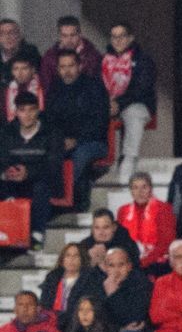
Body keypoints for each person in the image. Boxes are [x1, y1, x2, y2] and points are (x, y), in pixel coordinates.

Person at [43, 49, 106, 208]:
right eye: (62, 67)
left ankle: (64, 201)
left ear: (80, 66)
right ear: (57, 69)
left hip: (93, 141)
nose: (67, 71)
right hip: (62, 141)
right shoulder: (54, 89)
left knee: (80, 155)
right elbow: (50, 121)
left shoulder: (94, 87)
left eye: (71, 66)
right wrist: (60, 141)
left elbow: (99, 122)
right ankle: (50, 199)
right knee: (47, 155)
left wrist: (77, 140)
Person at [0, 91, 60, 247]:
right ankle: (7, 230)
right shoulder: (7, 133)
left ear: (38, 110)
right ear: (16, 112)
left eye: (31, 110)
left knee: (41, 186)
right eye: (22, 110)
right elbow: (3, 158)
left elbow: (53, 166)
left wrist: (28, 172)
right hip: (13, 182)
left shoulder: (51, 133)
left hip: (40, 182)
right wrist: (8, 170)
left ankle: (37, 234)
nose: (27, 115)